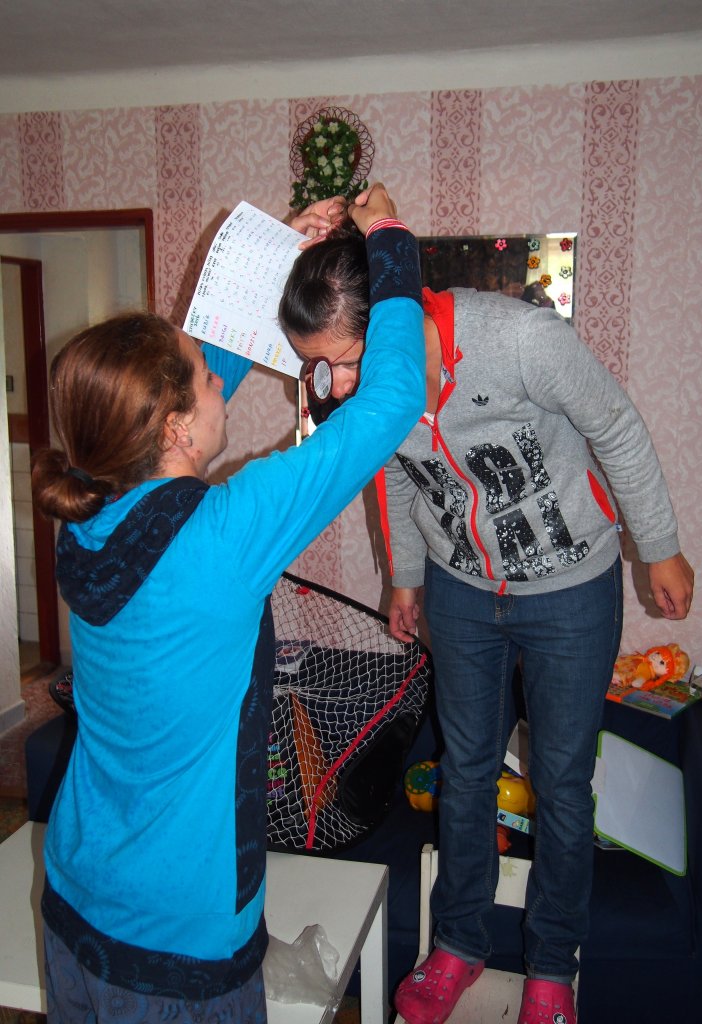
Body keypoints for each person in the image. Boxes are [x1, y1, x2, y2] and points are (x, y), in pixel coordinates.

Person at [278, 224, 694, 1024]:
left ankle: (552, 966)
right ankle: (459, 944)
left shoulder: (520, 341)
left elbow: (616, 427)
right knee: (465, 773)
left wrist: (661, 547)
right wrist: (406, 578)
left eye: (346, 360)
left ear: (395, 317)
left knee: (561, 785)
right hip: (462, 593)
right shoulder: (381, 395)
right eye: (320, 367)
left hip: (571, 590)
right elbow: (396, 475)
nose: (338, 387)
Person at [31, 184, 425, 1024]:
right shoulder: (223, 535)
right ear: (175, 427)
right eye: (210, 378)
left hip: (75, 902)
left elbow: (195, 372)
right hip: (179, 950)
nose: (225, 376)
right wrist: (389, 238)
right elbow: (391, 401)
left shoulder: (87, 512)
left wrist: (277, 258)